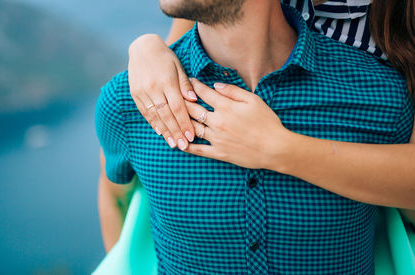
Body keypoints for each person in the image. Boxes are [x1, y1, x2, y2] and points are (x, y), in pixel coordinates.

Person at [95, 0, 413, 273]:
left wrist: (280, 148)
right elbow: (114, 197)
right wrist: (144, 46)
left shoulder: (384, 97)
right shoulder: (127, 103)